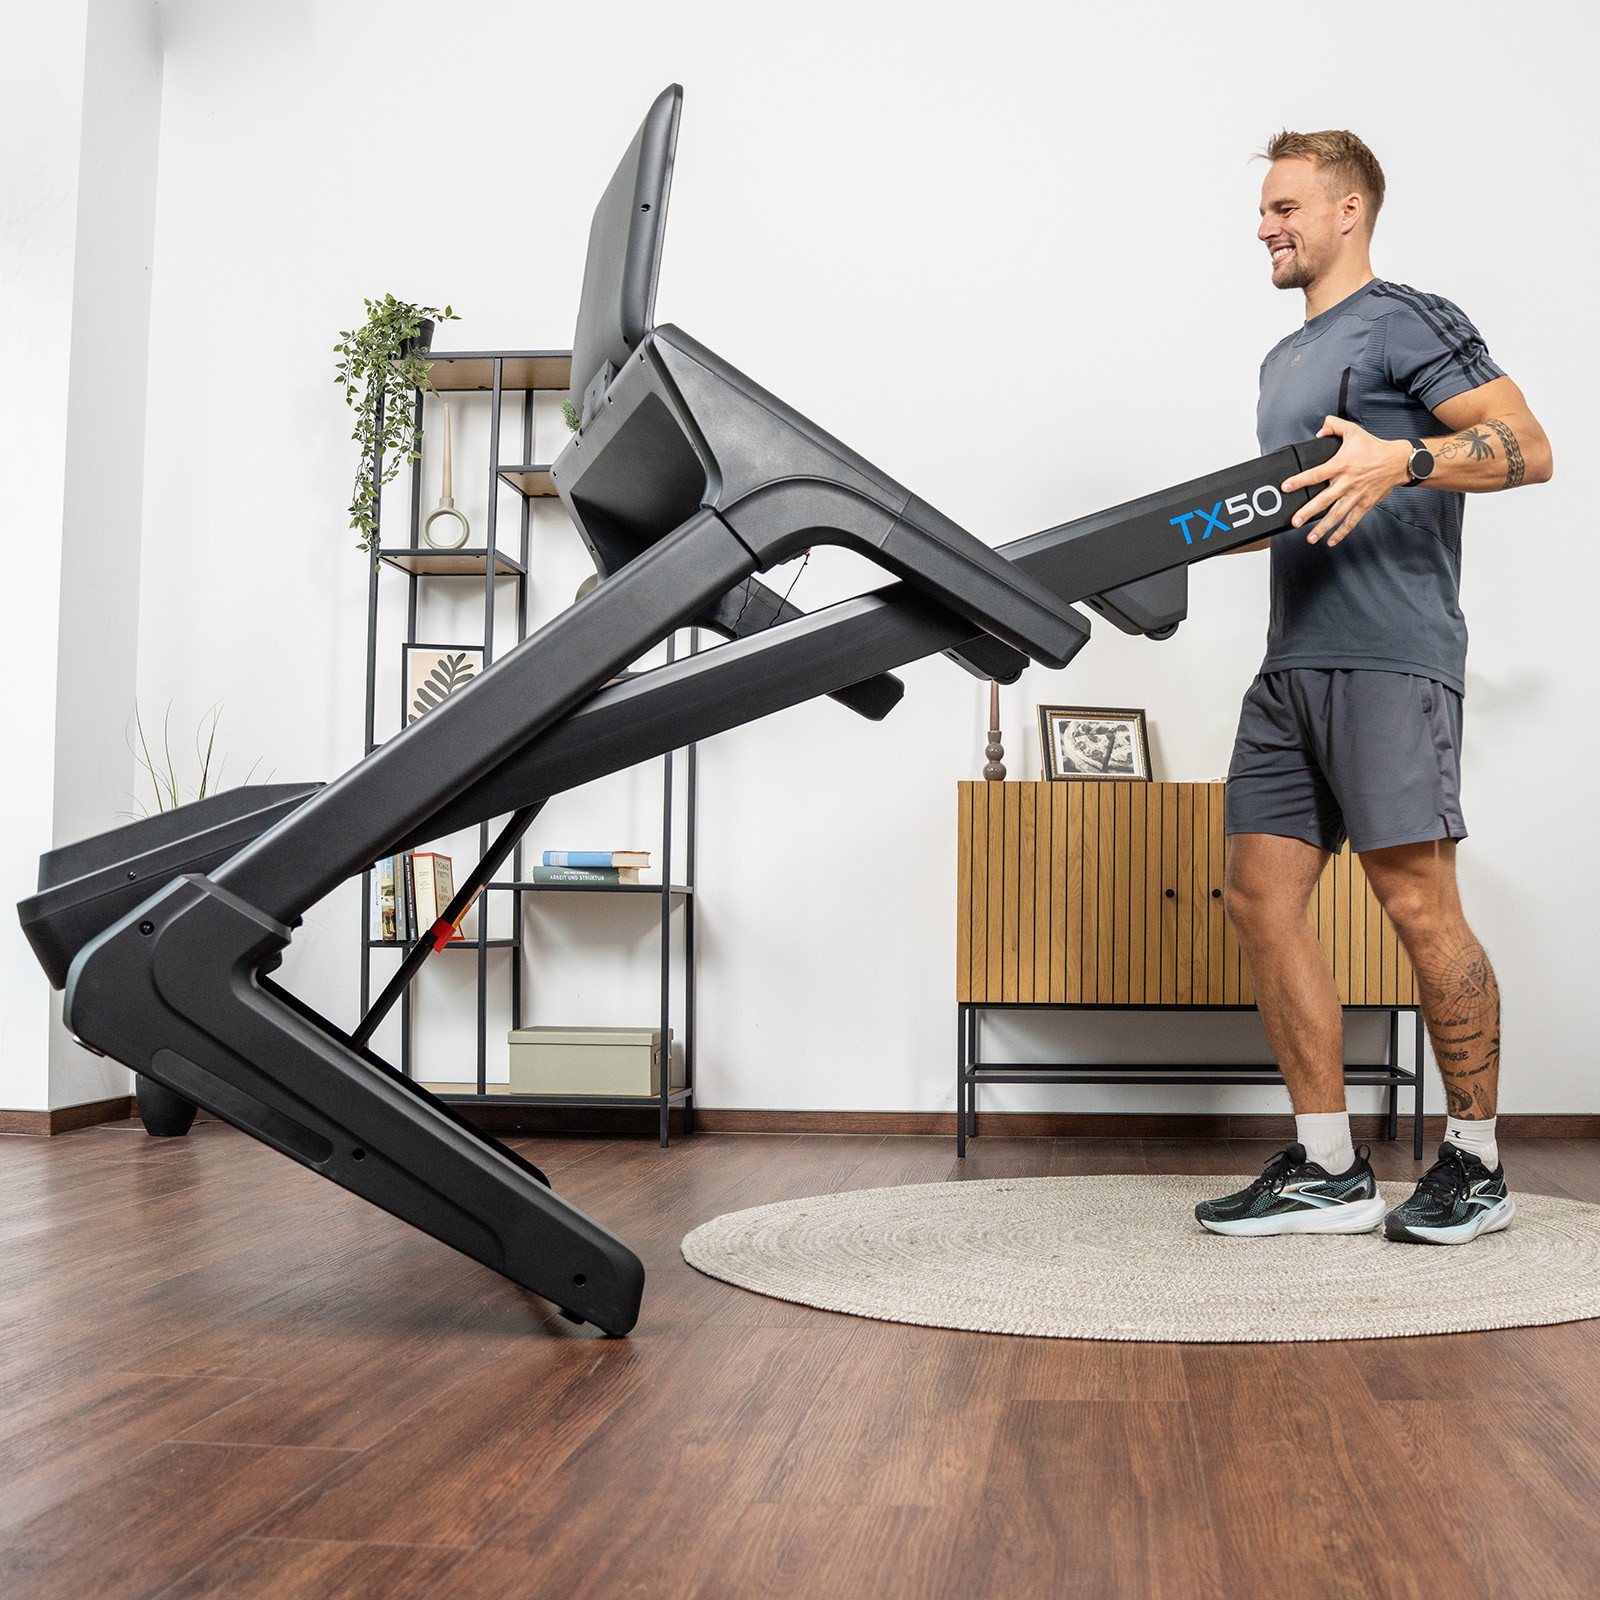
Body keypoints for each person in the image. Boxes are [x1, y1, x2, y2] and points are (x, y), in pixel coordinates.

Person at [1193, 130, 1552, 1244]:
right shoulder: (1279, 363)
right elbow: (1290, 508)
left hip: (1392, 656)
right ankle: (1328, 1166)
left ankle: (1476, 1165)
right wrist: (1164, 548)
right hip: (1288, 664)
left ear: (1348, 210)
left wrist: (1403, 458)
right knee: (1259, 899)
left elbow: (1528, 446)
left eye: (1285, 207)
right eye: (1264, 208)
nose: (1265, 225)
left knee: (1416, 904)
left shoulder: (1405, 319)